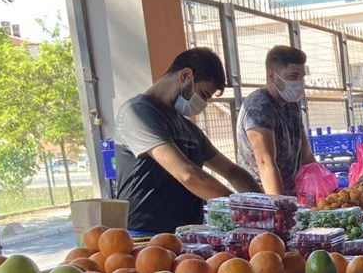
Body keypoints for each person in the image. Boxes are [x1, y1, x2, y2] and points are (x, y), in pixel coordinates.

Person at [114, 48, 261, 234]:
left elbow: (232, 172)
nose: (203, 104)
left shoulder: (188, 129)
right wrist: (245, 210)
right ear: (185, 75)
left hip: (189, 236)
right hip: (146, 237)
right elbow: (187, 175)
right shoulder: (137, 113)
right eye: (204, 94)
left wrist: (264, 206)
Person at [236, 45, 316, 195]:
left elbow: (306, 156)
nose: (299, 82)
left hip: (291, 196)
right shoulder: (258, 107)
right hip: (261, 200)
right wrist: (280, 209)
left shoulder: (292, 105)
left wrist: (328, 191)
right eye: (293, 76)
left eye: (301, 77)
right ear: (271, 76)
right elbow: (265, 162)